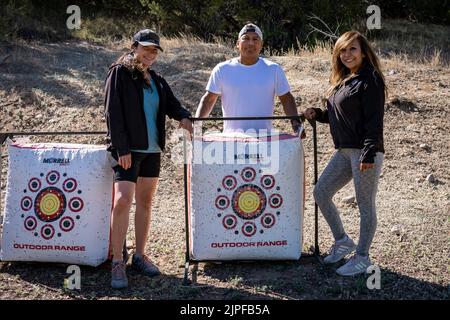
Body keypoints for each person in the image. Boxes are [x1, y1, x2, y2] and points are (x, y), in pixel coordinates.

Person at [104, 29, 193, 289]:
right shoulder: (119, 72)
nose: (150, 54)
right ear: (134, 47)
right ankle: (118, 261)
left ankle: (140, 256)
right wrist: (121, 148)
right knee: (122, 201)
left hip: (153, 151)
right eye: (146, 48)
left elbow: (172, 105)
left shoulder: (157, 79)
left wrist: (185, 117)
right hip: (127, 150)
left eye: (155, 50)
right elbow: (113, 112)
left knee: (145, 201)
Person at [304, 31, 386, 276]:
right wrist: (317, 114)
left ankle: (362, 258)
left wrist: (369, 153)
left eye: (352, 49)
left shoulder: (370, 78)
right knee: (321, 191)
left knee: (365, 205)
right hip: (344, 151)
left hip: (364, 151)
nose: (347, 54)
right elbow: (338, 117)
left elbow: (374, 121)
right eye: (343, 50)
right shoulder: (344, 80)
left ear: (363, 52)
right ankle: (342, 241)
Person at [195, 23, 303, 135]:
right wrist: (196, 126)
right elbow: (208, 100)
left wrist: (296, 125)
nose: (251, 43)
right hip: (232, 140)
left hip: (264, 140)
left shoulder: (273, 69)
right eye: (246, 38)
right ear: (237, 44)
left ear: (261, 45)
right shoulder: (222, 69)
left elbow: (286, 99)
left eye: (255, 39)